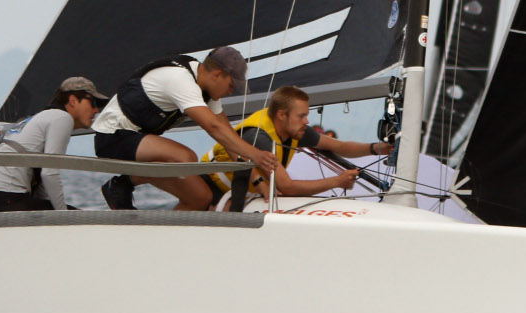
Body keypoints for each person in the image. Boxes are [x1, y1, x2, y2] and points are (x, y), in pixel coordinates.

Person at [92, 47, 277, 211]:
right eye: (231, 86)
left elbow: (228, 138)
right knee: (185, 157)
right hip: (111, 136)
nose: (231, 92)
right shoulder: (180, 79)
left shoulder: (205, 88)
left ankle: (162, 236)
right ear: (217, 74)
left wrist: (258, 180)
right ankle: (121, 185)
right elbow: (213, 128)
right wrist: (256, 155)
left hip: (137, 139)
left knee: (201, 198)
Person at [206, 84, 393, 210]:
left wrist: (376, 148)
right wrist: (337, 181)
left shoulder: (295, 129)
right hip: (212, 186)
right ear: (282, 115)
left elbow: (340, 146)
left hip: (243, 194)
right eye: (301, 116)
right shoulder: (261, 137)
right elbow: (287, 187)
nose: (307, 121)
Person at [0, 76, 109, 212]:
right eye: (93, 103)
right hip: (3, 198)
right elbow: (49, 173)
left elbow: (42, 185)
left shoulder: (37, 118)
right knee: (80, 218)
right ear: (73, 100)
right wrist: (63, 214)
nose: (96, 110)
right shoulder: (62, 118)